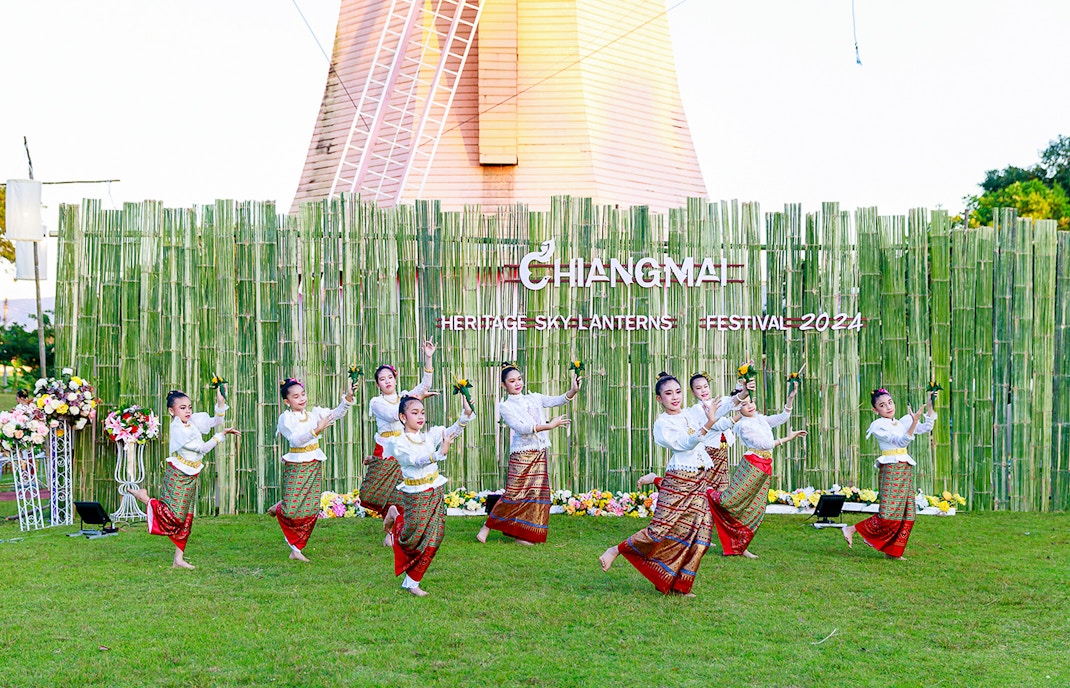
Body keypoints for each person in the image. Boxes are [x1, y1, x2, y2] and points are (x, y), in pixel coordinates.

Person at [598, 372, 721, 596]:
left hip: (699, 481)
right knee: (658, 532)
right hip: (678, 480)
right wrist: (710, 422)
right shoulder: (662, 424)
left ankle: (678, 585)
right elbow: (683, 444)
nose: (675, 397)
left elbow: (720, 407)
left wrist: (742, 391)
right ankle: (616, 549)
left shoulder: (690, 414)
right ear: (659, 399)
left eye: (678, 392)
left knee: (701, 538)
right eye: (668, 394)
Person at [130, 386, 238, 569]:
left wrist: (221, 402)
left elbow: (215, 421)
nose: (187, 411)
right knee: (175, 517)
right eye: (182, 408)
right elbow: (203, 448)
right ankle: (145, 498)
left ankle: (178, 559)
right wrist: (222, 435)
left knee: (186, 518)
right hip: (179, 474)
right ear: (172, 411)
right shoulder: (178, 429)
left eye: (189, 407)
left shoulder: (191, 421)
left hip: (192, 473)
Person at [477, 363, 581, 545]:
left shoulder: (534, 398)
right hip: (521, 454)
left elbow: (558, 400)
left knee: (536, 494)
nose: (517, 383)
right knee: (514, 493)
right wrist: (549, 426)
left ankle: (524, 535)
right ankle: (487, 527)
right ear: (504, 385)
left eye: (519, 379)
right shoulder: (505, 406)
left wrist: (572, 391)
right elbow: (521, 428)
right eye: (512, 381)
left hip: (539, 451)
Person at [382, 393, 475, 596]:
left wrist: (465, 415)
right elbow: (416, 460)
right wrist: (439, 454)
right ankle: (395, 516)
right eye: (414, 413)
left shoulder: (430, 435)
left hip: (435, 489)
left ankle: (412, 582)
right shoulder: (399, 443)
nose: (420, 416)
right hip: (415, 493)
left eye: (422, 412)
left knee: (435, 537)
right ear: (403, 418)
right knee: (411, 537)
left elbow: (451, 433)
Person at [707, 381, 804, 558]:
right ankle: (708, 494)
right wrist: (788, 439)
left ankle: (740, 546)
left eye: (751, 401)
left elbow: (782, 417)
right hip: (752, 464)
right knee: (731, 501)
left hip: (765, 465)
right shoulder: (743, 425)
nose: (750, 406)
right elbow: (765, 444)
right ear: (738, 409)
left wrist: (790, 399)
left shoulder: (759, 419)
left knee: (755, 507)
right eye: (744, 404)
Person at [842, 387, 937, 559]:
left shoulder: (902, 422)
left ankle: (893, 552)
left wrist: (930, 405)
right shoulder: (878, 426)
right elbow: (900, 441)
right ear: (875, 410)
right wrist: (914, 422)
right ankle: (851, 529)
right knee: (888, 514)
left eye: (890, 402)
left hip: (905, 467)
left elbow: (926, 428)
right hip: (891, 468)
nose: (888, 407)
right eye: (882, 405)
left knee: (908, 514)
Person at [270, 377, 356, 561]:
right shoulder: (286, 419)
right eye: (295, 397)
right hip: (296, 463)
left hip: (314, 462)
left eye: (303, 394)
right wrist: (316, 431)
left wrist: (348, 397)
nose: (301, 399)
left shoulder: (315, 414)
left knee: (310, 508)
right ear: (287, 401)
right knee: (292, 510)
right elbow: (294, 440)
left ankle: (296, 549)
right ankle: (280, 508)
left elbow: (336, 413)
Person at [364, 341, 438, 545]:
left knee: (401, 490)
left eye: (389, 377)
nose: (387, 381)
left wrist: (428, 357)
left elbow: (425, 386)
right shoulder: (376, 402)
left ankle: (394, 532)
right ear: (377, 384)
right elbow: (394, 414)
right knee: (371, 494)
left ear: (395, 379)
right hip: (386, 449)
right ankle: (392, 518)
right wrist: (416, 397)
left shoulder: (405, 397)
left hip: (405, 448)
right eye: (382, 379)